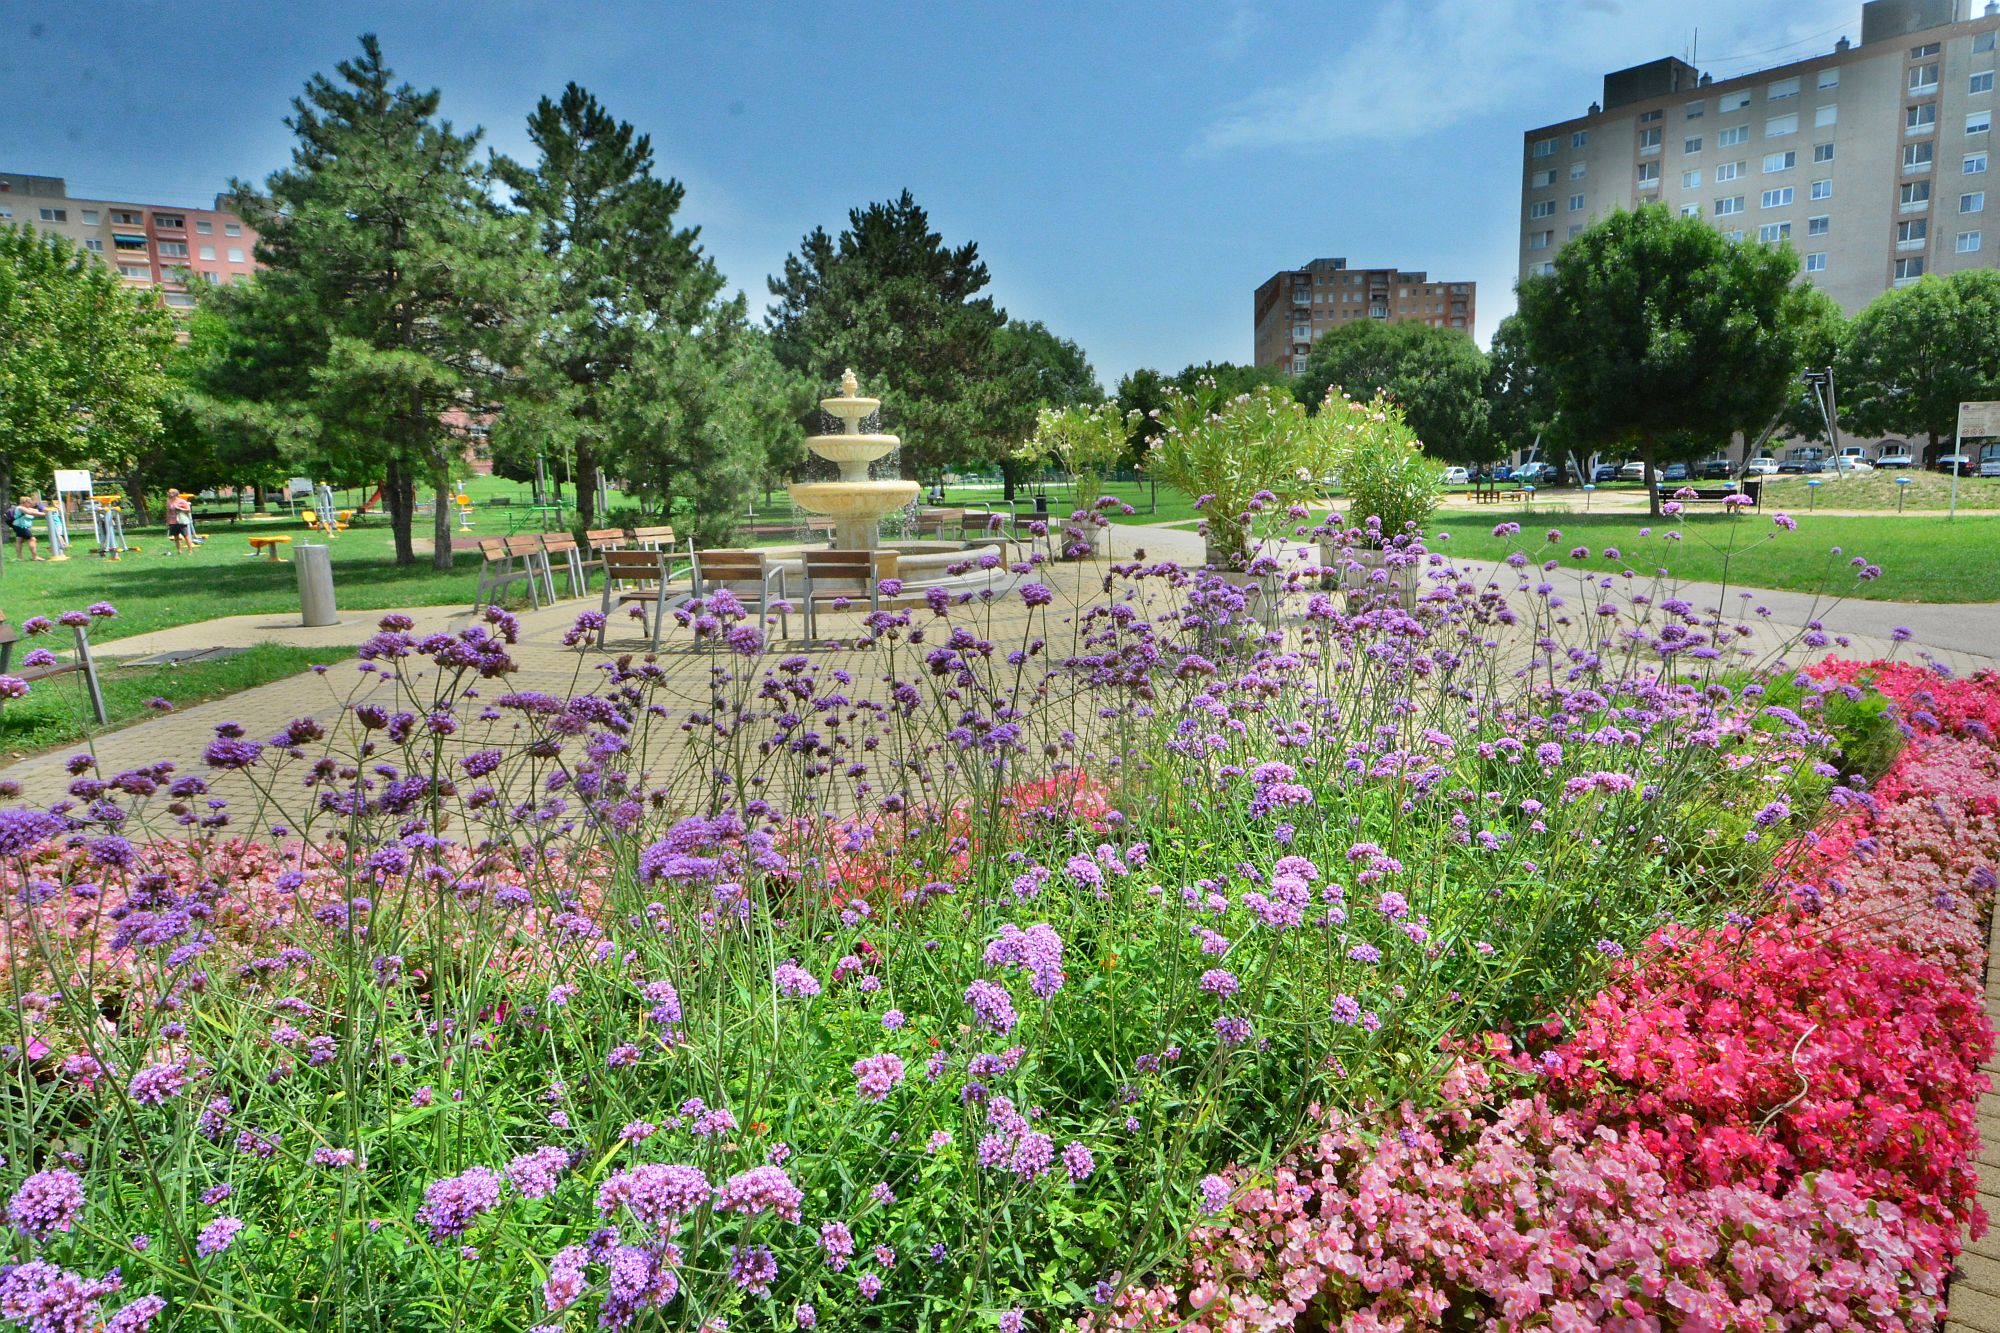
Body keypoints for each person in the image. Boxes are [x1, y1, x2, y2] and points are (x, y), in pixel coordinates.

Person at [165, 489, 194, 554]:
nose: (168, 494)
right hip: (172, 521)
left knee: (186, 536)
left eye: (169, 493)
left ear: (174, 494)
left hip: (181, 521)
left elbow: (189, 510)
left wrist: (180, 508)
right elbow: (168, 511)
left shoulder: (182, 501)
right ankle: (179, 551)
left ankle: (190, 551)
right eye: (168, 492)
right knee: (176, 537)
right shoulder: (168, 501)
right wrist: (167, 520)